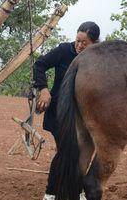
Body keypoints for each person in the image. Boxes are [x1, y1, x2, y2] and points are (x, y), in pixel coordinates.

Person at [33, 21, 100, 200]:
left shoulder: (99, 59)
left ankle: (76, 191)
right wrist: (44, 90)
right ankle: (51, 193)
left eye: (84, 43)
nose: (79, 46)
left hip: (83, 116)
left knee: (80, 152)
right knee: (66, 151)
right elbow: (39, 65)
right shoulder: (64, 51)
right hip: (59, 113)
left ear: (94, 43)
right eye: (77, 40)